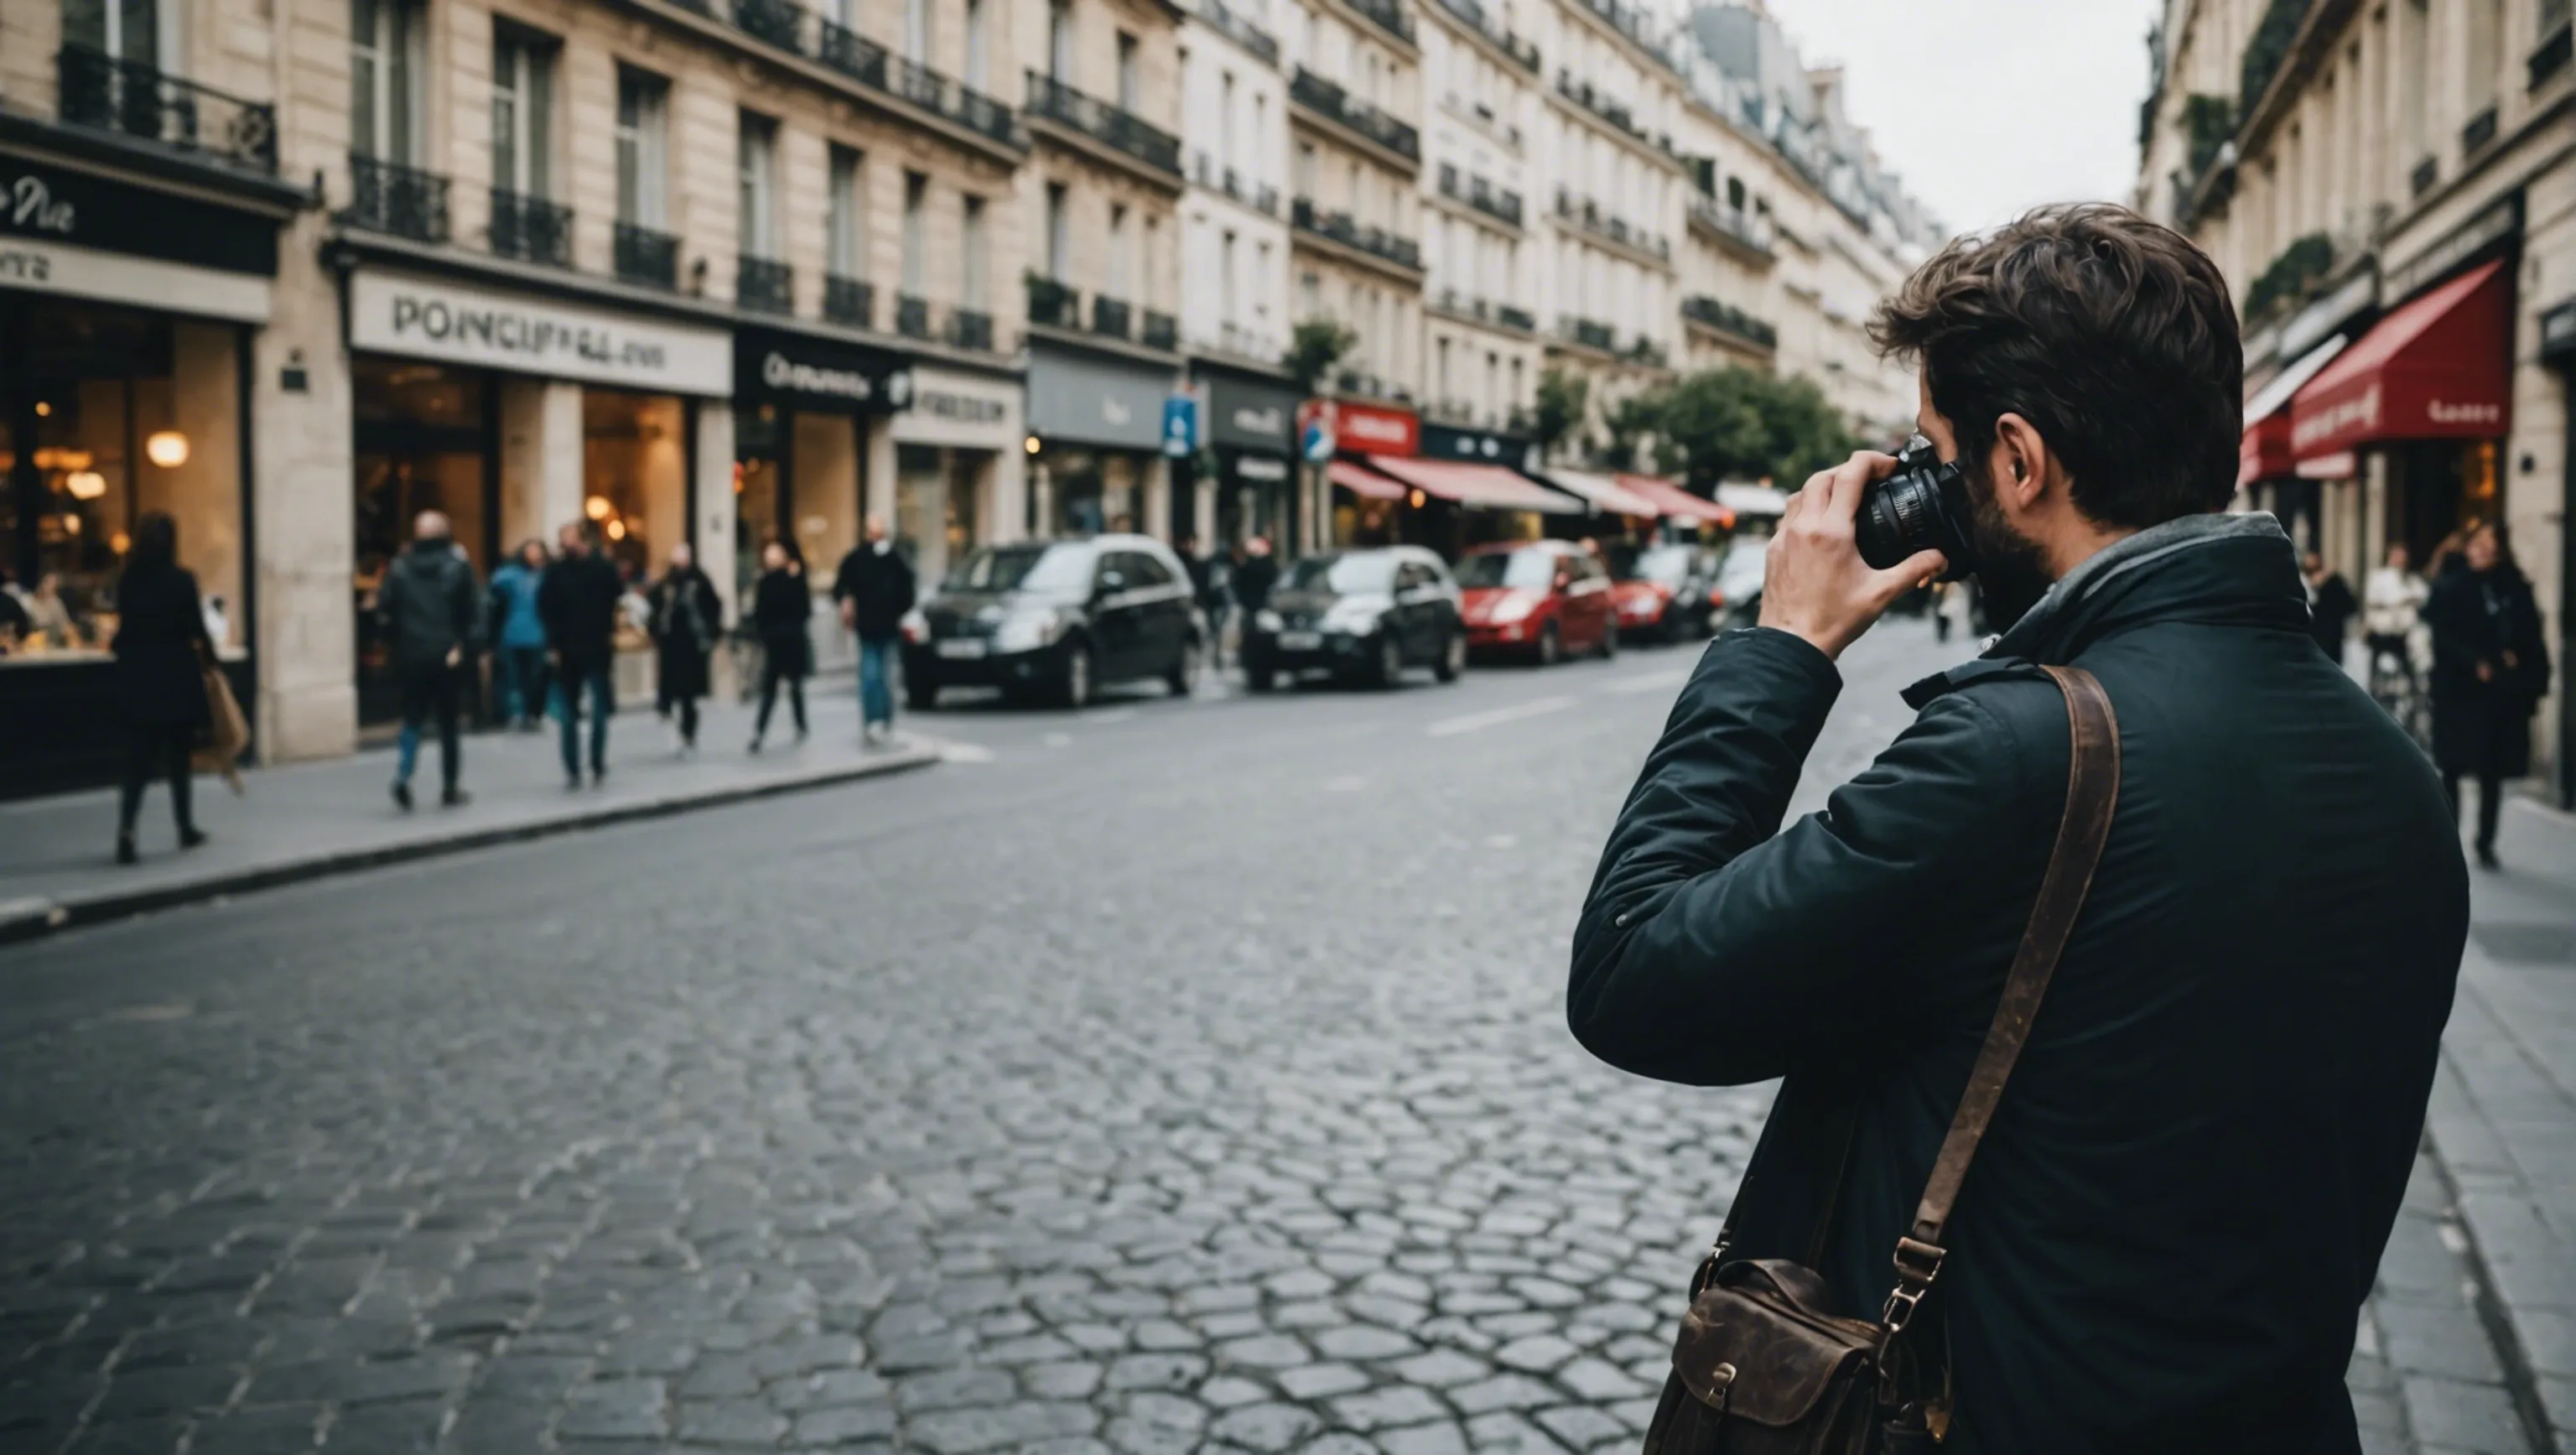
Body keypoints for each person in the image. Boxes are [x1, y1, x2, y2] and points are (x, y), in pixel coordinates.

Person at [1568, 205, 2464, 1451]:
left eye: (1935, 453)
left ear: (2019, 458)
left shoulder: (2019, 756)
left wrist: (1781, 646)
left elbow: (1632, 972)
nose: (1923, 489)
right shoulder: (2396, 775)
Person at [2424, 522, 2551, 869]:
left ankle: (2485, 840)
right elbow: (2441, 636)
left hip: (2497, 694)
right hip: (2457, 689)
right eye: (2477, 543)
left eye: (2489, 544)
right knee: (2452, 766)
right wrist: (2475, 660)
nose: (2482, 549)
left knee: (2492, 769)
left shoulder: (2514, 588)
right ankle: (2450, 837)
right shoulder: (2452, 586)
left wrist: (2517, 660)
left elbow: (2530, 635)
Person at [108, 512, 216, 863]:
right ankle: (184, 826)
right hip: (175, 677)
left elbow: (123, 629)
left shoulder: (129, 580)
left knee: (137, 762)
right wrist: (213, 663)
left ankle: (127, 829)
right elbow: (197, 629)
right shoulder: (182, 580)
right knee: (178, 759)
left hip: (138, 678)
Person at [378, 510, 481, 809]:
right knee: (448, 724)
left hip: (412, 655)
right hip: (447, 655)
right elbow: (472, 612)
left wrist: (395, 646)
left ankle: (403, 776)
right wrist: (462, 646)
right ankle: (450, 786)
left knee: (412, 719)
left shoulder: (399, 568)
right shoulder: (457, 566)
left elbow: (386, 611)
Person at [538, 522, 625, 787]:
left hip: (596, 646)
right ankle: (573, 767)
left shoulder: (601, 568)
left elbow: (617, 593)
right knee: (569, 713)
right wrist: (552, 645)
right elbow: (546, 608)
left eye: (569, 538)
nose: (564, 544)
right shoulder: (556, 571)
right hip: (568, 650)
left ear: (583, 540)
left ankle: (596, 761)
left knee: (598, 709)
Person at [832, 516, 916, 745]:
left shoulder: (889, 558)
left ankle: (880, 720)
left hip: (882, 626)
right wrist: (847, 600)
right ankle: (876, 720)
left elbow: (908, 589)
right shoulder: (863, 558)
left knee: (881, 676)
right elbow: (840, 586)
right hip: (871, 626)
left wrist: (898, 610)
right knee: (874, 675)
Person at [645, 541, 722, 755]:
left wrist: (711, 634)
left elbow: (712, 607)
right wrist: (655, 631)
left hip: (691, 645)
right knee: (669, 689)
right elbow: (656, 609)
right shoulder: (666, 584)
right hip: (671, 644)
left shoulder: (699, 581)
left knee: (688, 694)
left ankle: (688, 732)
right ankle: (669, 715)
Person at [748, 541, 813, 751]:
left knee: (784, 688)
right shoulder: (771, 581)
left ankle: (767, 730)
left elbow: (803, 608)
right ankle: (764, 730)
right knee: (780, 689)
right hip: (782, 641)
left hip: (785, 641)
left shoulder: (786, 579)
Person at [486, 539, 552, 730]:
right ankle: (519, 713)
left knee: (536, 677)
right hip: (513, 634)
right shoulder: (509, 576)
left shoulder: (545, 576)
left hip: (538, 634)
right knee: (515, 678)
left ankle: (534, 713)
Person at [2362, 542, 2430, 689]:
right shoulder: (2378, 577)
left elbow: (2422, 595)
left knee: (2409, 667)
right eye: (2397, 556)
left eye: (2403, 557)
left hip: (2404, 633)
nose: (2400, 560)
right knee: (2378, 669)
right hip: (2382, 631)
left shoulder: (2411, 579)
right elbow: (2373, 600)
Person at [2303, 549, 2358, 665]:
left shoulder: (2334, 581)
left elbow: (2349, 606)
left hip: (2330, 636)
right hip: (2309, 637)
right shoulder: (2300, 581)